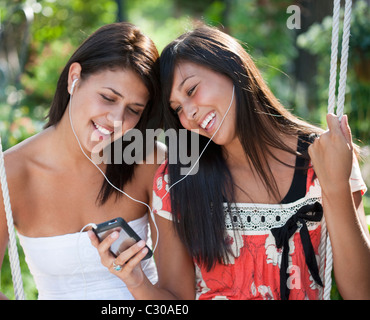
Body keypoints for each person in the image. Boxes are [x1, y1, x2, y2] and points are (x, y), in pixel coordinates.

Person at [90, 25, 370, 300]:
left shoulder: (323, 154)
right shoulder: (177, 179)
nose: (189, 114)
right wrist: (136, 281)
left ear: (233, 67)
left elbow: (361, 292)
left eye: (191, 90)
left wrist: (335, 186)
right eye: (177, 109)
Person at [0, 22, 165, 300]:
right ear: (74, 78)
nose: (117, 119)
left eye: (133, 110)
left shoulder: (151, 162)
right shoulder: (7, 176)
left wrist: (136, 281)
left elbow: (178, 298)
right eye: (107, 97)